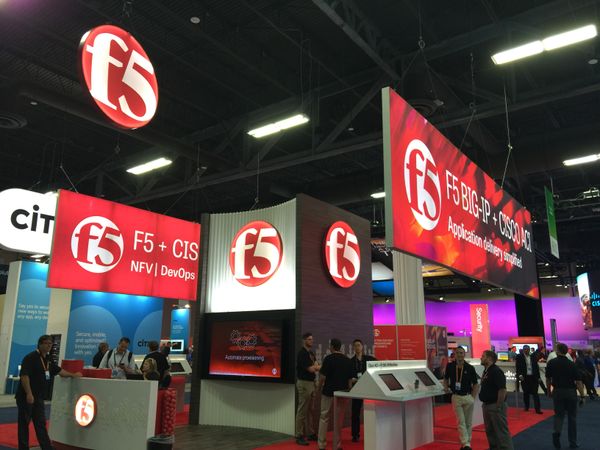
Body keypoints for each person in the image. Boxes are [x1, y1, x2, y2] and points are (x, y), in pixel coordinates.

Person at [16, 335, 82, 450]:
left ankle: (46, 447)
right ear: (40, 344)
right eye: (46, 343)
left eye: (50, 344)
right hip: (26, 396)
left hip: (38, 397)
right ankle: (23, 447)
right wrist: (29, 393)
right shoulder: (30, 358)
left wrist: (73, 375)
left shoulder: (48, 359)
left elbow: (59, 371)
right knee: (24, 424)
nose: (49, 346)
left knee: (40, 423)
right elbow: (24, 376)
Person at [545, 342, 585, 449]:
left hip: (558, 392)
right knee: (572, 418)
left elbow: (548, 379)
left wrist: (549, 391)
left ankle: (556, 434)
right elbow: (578, 382)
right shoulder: (572, 364)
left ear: (557, 351)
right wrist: (582, 396)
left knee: (559, 416)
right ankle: (573, 442)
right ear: (566, 351)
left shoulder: (551, 363)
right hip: (571, 392)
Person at [318, 338, 352, 450]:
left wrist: (319, 388)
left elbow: (322, 377)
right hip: (342, 393)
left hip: (328, 391)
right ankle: (337, 445)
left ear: (332, 347)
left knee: (324, 417)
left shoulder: (328, 359)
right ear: (340, 347)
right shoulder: (347, 360)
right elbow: (350, 380)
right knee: (339, 419)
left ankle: (321, 444)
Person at [443, 346, 479, 450]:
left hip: (468, 397)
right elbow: (446, 378)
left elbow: (476, 384)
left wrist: (473, 398)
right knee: (461, 421)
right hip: (456, 397)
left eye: (461, 353)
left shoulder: (470, 368)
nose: (459, 355)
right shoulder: (450, 366)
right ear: (455, 354)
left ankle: (466, 444)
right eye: (458, 353)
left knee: (468, 422)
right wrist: (446, 387)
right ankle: (466, 443)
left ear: (464, 354)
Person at [479, 350, 513, 450]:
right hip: (487, 405)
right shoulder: (487, 371)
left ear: (489, 358)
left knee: (501, 434)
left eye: (483, 356)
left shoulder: (496, 371)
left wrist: (498, 406)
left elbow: (502, 390)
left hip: (495, 405)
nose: (481, 358)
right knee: (490, 433)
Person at [349, 339, 377, 443]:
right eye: (355, 345)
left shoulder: (369, 359)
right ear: (353, 348)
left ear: (362, 347)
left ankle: (373, 432)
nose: (357, 347)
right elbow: (348, 375)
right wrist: (351, 379)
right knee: (355, 412)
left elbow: (378, 365)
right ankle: (355, 434)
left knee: (371, 411)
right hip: (357, 388)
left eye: (359, 345)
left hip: (368, 388)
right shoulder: (351, 361)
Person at [295, 332, 320, 446]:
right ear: (304, 340)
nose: (311, 341)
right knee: (302, 410)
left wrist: (316, 367)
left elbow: (316, 365)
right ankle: (299, 435)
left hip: (311, 383)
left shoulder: (311, 353)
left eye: (312, 339)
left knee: (310, 410)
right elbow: (311, 369)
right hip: (304, 383)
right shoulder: (302, 354)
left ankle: (310, 433)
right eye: (309, 339)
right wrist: (316, 367)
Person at [516, 345, 543, 414]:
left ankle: (538, 409)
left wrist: (538, 377)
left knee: (535, 393)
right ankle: (526, 407)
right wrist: (520, 375)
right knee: (526, 393)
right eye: (525, 349)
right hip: (524, 377)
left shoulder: (533, 356)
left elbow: (536, 367)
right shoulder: (519, 357)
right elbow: (518, 367)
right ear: (523, 350)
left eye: (527, 349)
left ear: (529, 350)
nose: (526, 350)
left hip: (533, 377)